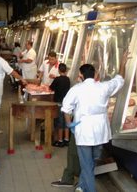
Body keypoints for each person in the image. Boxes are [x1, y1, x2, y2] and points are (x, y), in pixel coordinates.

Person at [61, 58, 126, 192]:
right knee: (92, 162)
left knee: (87, 164)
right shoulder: (104, 87)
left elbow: (66, 108)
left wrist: (69, 124)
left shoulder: (76, 89)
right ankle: (81, 186)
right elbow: (119, 79)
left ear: (81, 75)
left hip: (83, 130)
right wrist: (123, 63)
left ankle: (88, 188)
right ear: (95, 74)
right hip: (100, 132)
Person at [50, 63, 71, 147]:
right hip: (66, 103)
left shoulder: (57, 79)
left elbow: (51, 87)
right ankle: (66, 139)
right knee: (66, 121)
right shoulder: (68, 79)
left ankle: (59, 140)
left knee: (59, 122)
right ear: (65, 71)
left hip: (59, 103)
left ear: (58, 70)